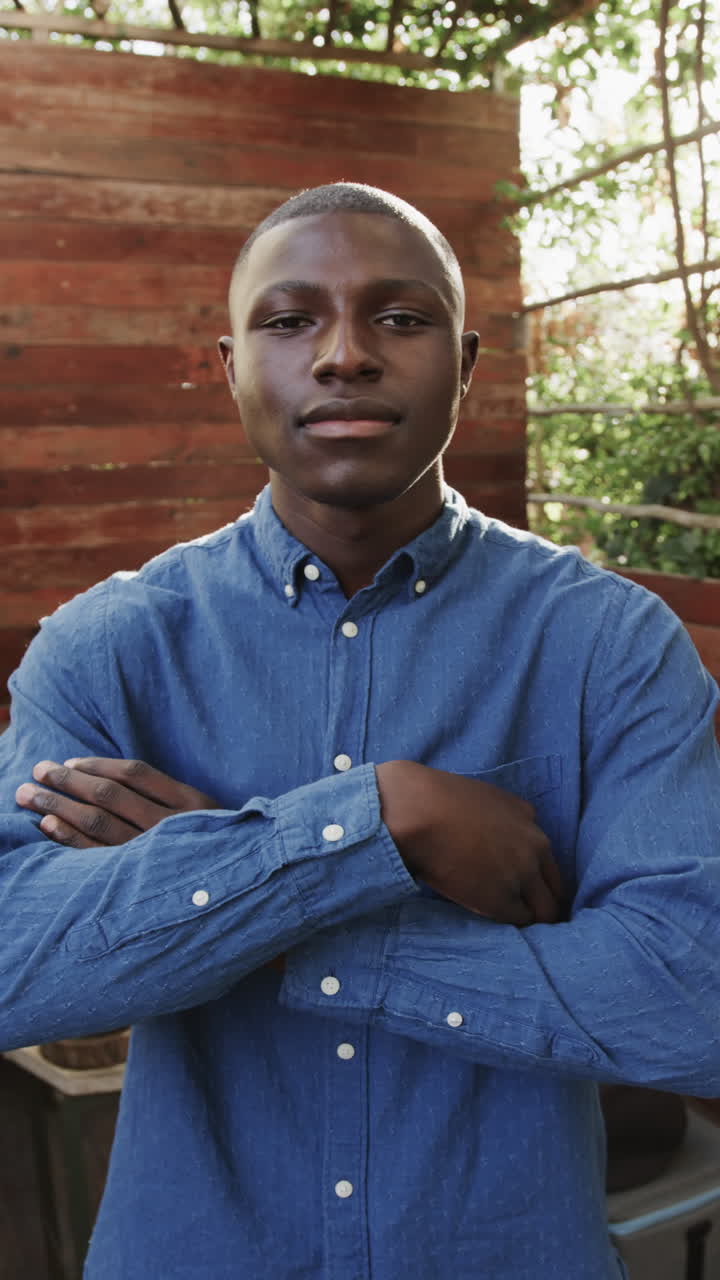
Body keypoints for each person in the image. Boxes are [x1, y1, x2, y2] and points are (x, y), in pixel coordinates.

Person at [1, 182, 719, 1280]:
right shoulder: (106, 648)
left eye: (400, 317)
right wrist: (382, 818)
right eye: (290, 320)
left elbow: (694, 999)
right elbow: (15, 965)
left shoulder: (608, 645)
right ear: (231, 366)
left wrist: (242, 880)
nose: (344, 355)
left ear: (466, 364)